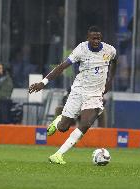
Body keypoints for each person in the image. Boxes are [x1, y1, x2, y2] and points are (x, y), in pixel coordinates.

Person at [29, 26, 117, 164]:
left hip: (95, 95)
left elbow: (114, 62)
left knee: (85, 124)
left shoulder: (109, 50)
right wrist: (43, 82)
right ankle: (59, 120)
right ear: (88, 37)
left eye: (99, 38)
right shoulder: (81, 50)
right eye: (93, 38)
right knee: (64, 127)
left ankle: (58, 155)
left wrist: (110, 81)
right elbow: (61, 67)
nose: (96, 41)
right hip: (78, 91)